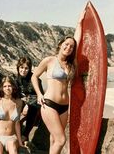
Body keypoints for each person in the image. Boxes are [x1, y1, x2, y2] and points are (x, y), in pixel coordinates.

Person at [31, 10, 84, 153]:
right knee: (61, 140)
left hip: (64, 107)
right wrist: (39, 94)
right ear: (60, 44)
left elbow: (77, 40)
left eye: (71, 47)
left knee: (54, 140)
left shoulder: (71, 64)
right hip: (49, 104)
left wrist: (80, 22)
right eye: (66, 44)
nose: (68, 47)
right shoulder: (49, 60)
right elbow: (34, 76)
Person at [15, 56, 44, 143]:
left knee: (32, 108)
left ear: (30, 69)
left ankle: (25, 134)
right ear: (18, 67)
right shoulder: (16, 79)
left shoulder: (35, 80)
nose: (23, 70)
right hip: (22, 102)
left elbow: (39, 96)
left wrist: (27, 104)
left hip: (35, 104)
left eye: (26, 68)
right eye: (21, 67)